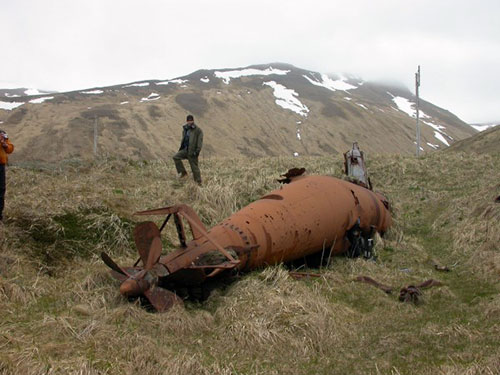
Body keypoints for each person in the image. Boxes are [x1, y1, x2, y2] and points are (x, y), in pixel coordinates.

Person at [172, 115, 203, 185]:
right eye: (188, 120)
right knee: (176, 157)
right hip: (185, 150)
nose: (189, 122)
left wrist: (197, 151)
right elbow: (184, 139)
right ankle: (183, 173)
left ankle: (198, 182)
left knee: (194, 168)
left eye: (191, 120)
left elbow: (200, 141)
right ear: (187, 121)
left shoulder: (198, 130)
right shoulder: (185, 129)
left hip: (192, 152)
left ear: (193, 121)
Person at [0, 130, 14, 222]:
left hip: (0, 165)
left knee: (1, 189)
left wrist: (4, 144)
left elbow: (10, 149)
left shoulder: (2, 134)